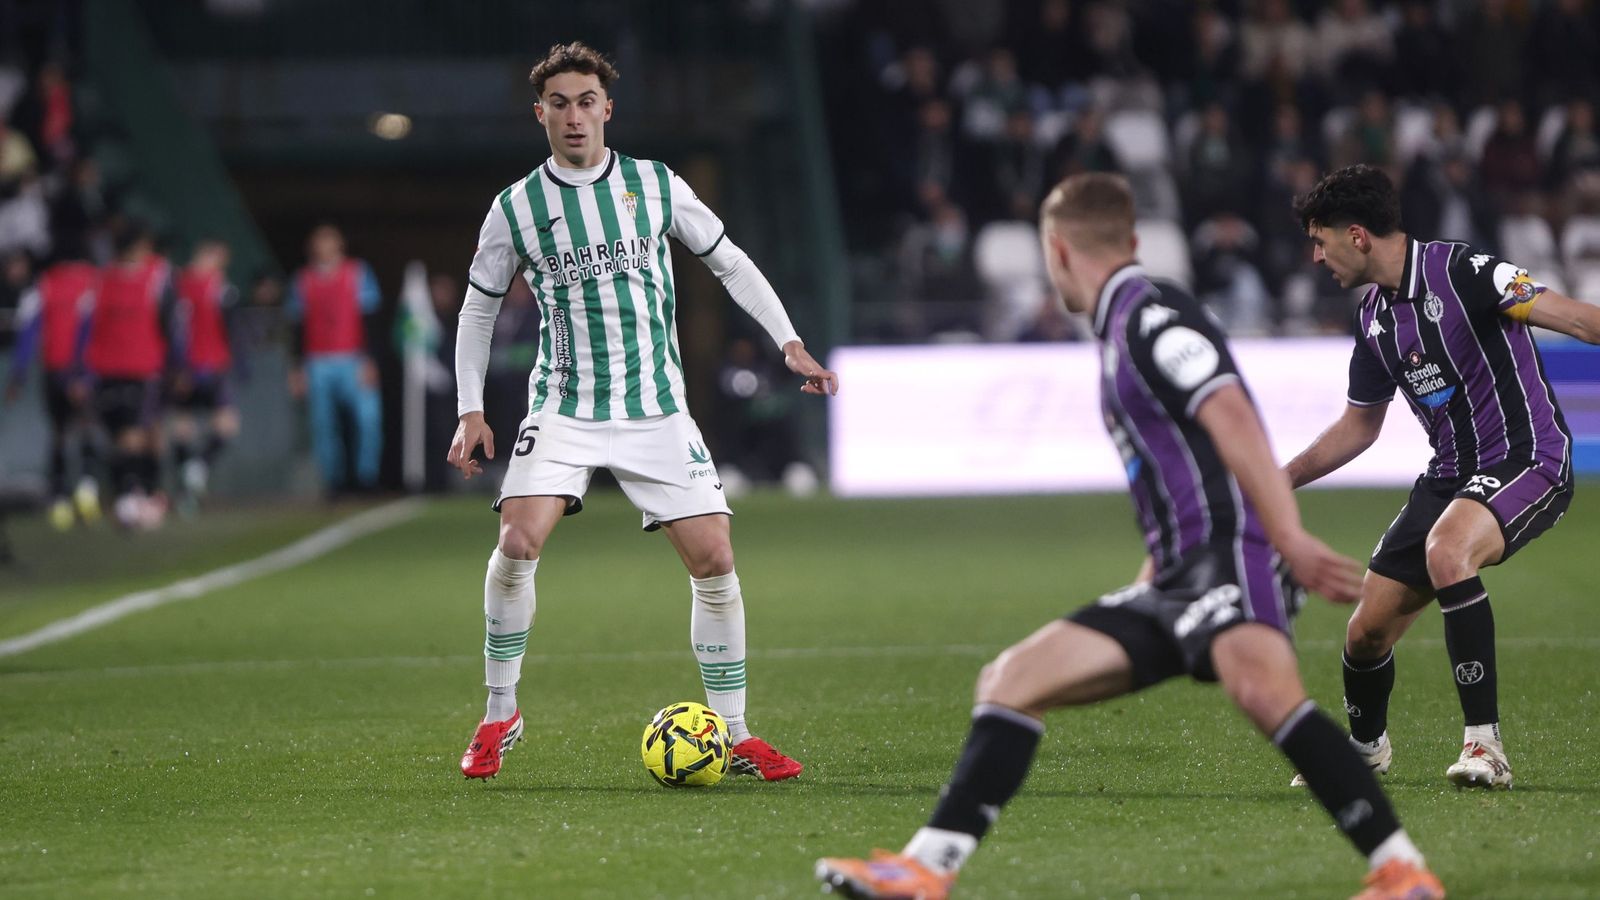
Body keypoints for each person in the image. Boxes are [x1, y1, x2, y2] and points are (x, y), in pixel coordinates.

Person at [815, 173, 1443, 900]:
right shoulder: (1122, 320)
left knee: (1267, 696)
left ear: (1055, 252)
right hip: (1179, 574)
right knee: (1012, 681)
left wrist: (1289, 539)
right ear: (1132, 240)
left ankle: (1401, 870)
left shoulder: (1151, 318)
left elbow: (1234, 417)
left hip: (1227, 563)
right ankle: (925, 868)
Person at [448, 42, 837, 782]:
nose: (573, 116)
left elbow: (729, 260)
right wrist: (472, 408)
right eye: (558, 103)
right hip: (563, 403)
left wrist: (788, 341)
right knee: (519, 541)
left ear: (607, 110)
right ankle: (500, 711)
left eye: (586, 101)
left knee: (714, 558)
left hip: (655, 408)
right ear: (541, 114)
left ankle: (735, 732)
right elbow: (476, 310)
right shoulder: (516, 208)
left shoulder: (656, 186)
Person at [1284, 164, 1600, 790]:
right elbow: (1358, 426)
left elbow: (1579, 321)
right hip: (1451, 476)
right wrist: (1274, 480)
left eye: (1321, 241)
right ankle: (1366, 748)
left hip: (1527, 456)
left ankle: (1486, 749)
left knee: (1448, 550)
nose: (1317, 258)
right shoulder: (1374, 317)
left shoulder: (1467, 273)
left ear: (1358, 235)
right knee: (1365, 633)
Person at [83, 224, 177, 530]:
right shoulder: (104, 280)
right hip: (116, 368)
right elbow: (90, 327)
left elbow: (169, 321)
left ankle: (142, 495)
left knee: (143, 433)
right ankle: (131, 496)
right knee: (126, 436)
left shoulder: (157, 276)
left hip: (142, 368)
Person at [4, 249, 100, 529]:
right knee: (86, 427)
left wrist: (17, 377)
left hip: (55, 372)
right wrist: (83, 374)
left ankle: (60, 498)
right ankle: (86, 489)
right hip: (81, 371)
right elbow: (94, 329)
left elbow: (28, 333)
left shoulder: (42, 286)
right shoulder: (92, 282)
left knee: (59, 433)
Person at [287, 224, 383, 496]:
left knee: (368, 419)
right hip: (317, 362)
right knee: (323, 425)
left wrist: (370, 360)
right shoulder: (303, 280)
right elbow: (297, 326)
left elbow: (370, 319)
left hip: (353, 358)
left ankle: (367, 478)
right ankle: (334, 481)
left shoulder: (357, 273)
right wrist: (296, 367)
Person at [170, 240, 240, 508]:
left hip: (187, 368)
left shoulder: (176, 284)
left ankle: (187, 480)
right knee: (225, 423)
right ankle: (196, 469)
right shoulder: (218, 287)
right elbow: (230, 328)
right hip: (209, 364)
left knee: (184, 426)